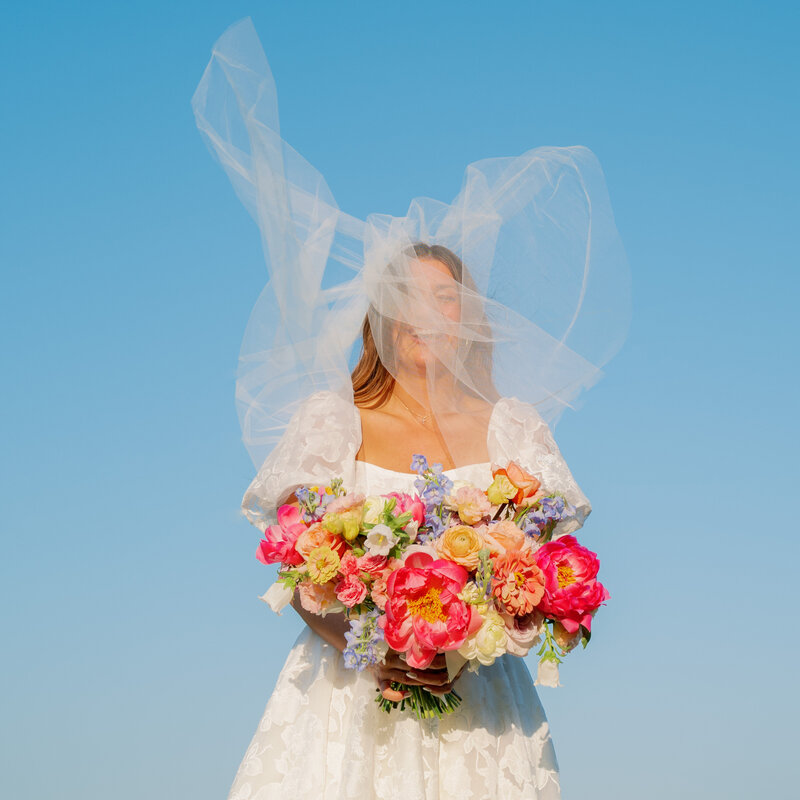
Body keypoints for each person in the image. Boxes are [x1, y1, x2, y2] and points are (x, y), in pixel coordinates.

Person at [192, 17, 630, 800]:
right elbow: (303, 580)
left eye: (447, 300)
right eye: (411, 301)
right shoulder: (336, 422)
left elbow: (545, 586)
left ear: (471, 320)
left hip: (480, 719)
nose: (430, 318)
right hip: (346, 706)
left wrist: (481, 638)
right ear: (382, 321)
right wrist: (371, 648)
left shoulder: (513, 430)